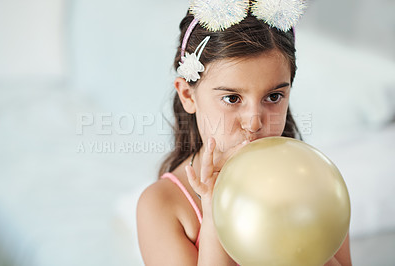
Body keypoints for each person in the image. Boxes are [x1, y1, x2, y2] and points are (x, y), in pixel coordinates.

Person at [136, 4, 352, 266]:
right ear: (187, 95)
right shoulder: (162, 206)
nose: (254, 122)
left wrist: (303, 223)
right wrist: (216, 214)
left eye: (274, 97)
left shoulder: (316, 183)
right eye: (232, 98)